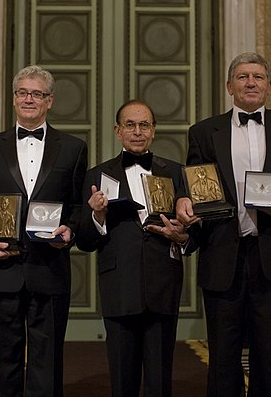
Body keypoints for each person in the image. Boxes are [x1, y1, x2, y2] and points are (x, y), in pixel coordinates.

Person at [176, 52, 271, 396]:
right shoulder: (205, 131)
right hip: (223, 253)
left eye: (257, 76)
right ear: (229, 86)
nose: (250, 82)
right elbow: (194, 184)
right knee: (223, 353)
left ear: (268, 86)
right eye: (242, 77)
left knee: (269, 352)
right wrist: (185, 201)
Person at [0, 65, 87, 396]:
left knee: (48, 364)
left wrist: (69, 232)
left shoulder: (73, 148)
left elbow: (77, 207)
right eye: (22, 93)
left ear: (50, 101)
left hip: (49, 269)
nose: (29, 99)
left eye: (37, 94)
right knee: (2, 364)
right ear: (14, 98)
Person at [77, 100, 195, 397]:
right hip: (119, 284)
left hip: (163, 283)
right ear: (118, 131)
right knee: (122, 378)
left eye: (145, 125)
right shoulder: (96, 176)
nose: (138, 131)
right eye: (130, 125)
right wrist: (97, 216)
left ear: (154, 131)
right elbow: (85, 241)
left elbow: (195, 234)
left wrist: (182, 237)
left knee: (160, 377)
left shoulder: (177, 173)